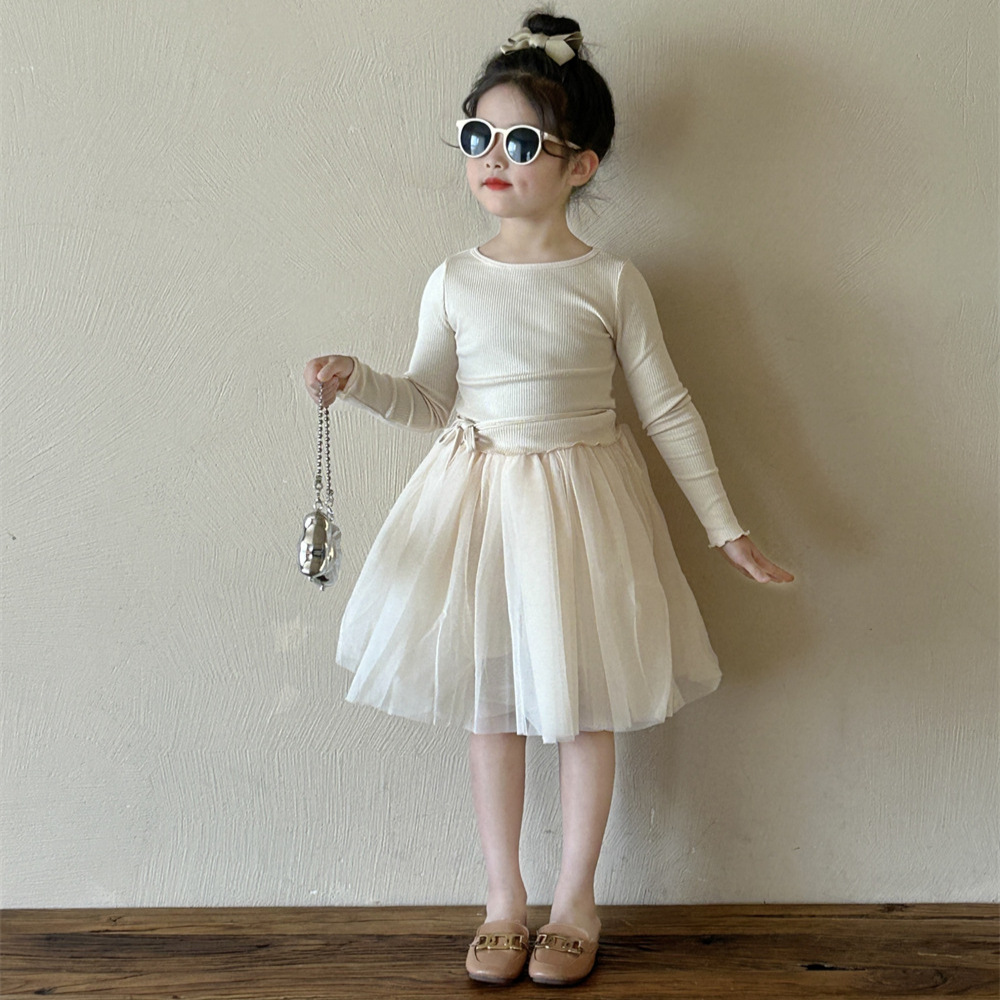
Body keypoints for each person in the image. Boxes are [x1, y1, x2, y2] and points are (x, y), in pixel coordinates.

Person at [304, 11, 793, 987]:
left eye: (521, 141)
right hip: (479, 507)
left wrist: (724, 526)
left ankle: (575, 900)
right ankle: (503, 899)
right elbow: (430, 400)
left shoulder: (611, 280)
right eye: (476, 134)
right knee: (492, 704)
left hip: (580, 509)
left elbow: (667, 408)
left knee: (579, 704)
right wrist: (358, 382)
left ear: (580, 165)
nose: (493, 156)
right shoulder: (454, 279)